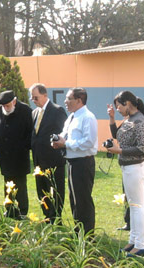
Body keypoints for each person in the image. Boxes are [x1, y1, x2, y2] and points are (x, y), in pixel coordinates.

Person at [106, 91, 144, 256]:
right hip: (128, 167)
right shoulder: (129, 119)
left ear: (128, 104)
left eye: (118, 105)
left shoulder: (140, 121)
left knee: (138, 207)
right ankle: (133, 241)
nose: (117, 108)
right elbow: (116, 135)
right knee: (133, 207)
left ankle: (141, 245)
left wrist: (119, 150)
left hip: (135, 168)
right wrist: (111, 118)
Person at [52, 88, 98, 235]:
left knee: (83, 200)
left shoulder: (87, 117)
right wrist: (58, 139)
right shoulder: (72, 116)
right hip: (72, 162)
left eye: (69, 98)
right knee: (75, 200)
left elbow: (89, 142)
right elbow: (65, 135)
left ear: (79, 100)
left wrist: (66, 143)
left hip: (83, 163)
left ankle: (87, 236)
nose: (65, 101)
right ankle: (78, 232)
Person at [30, 83, 67, 224]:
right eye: (32, 98)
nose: (34, 100)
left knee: (55, 190)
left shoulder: (57, 111)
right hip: (38, 160)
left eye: (36, 97)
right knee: (42, 190)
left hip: (53, 159)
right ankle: (47, 215)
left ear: (45, 95)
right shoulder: (35, 113)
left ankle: (56, 218)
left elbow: (63, 133)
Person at [0, 90, 33, 218]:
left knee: (20, 184)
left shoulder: (25, 111)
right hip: (5, 156)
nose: (6, 108)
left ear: (14, 101)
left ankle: (22, 211)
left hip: (20, 155)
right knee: (7, 183)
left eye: (8, 105)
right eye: (4, 106)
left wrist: (24, 147)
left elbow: (30, 132)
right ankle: (9, 209)